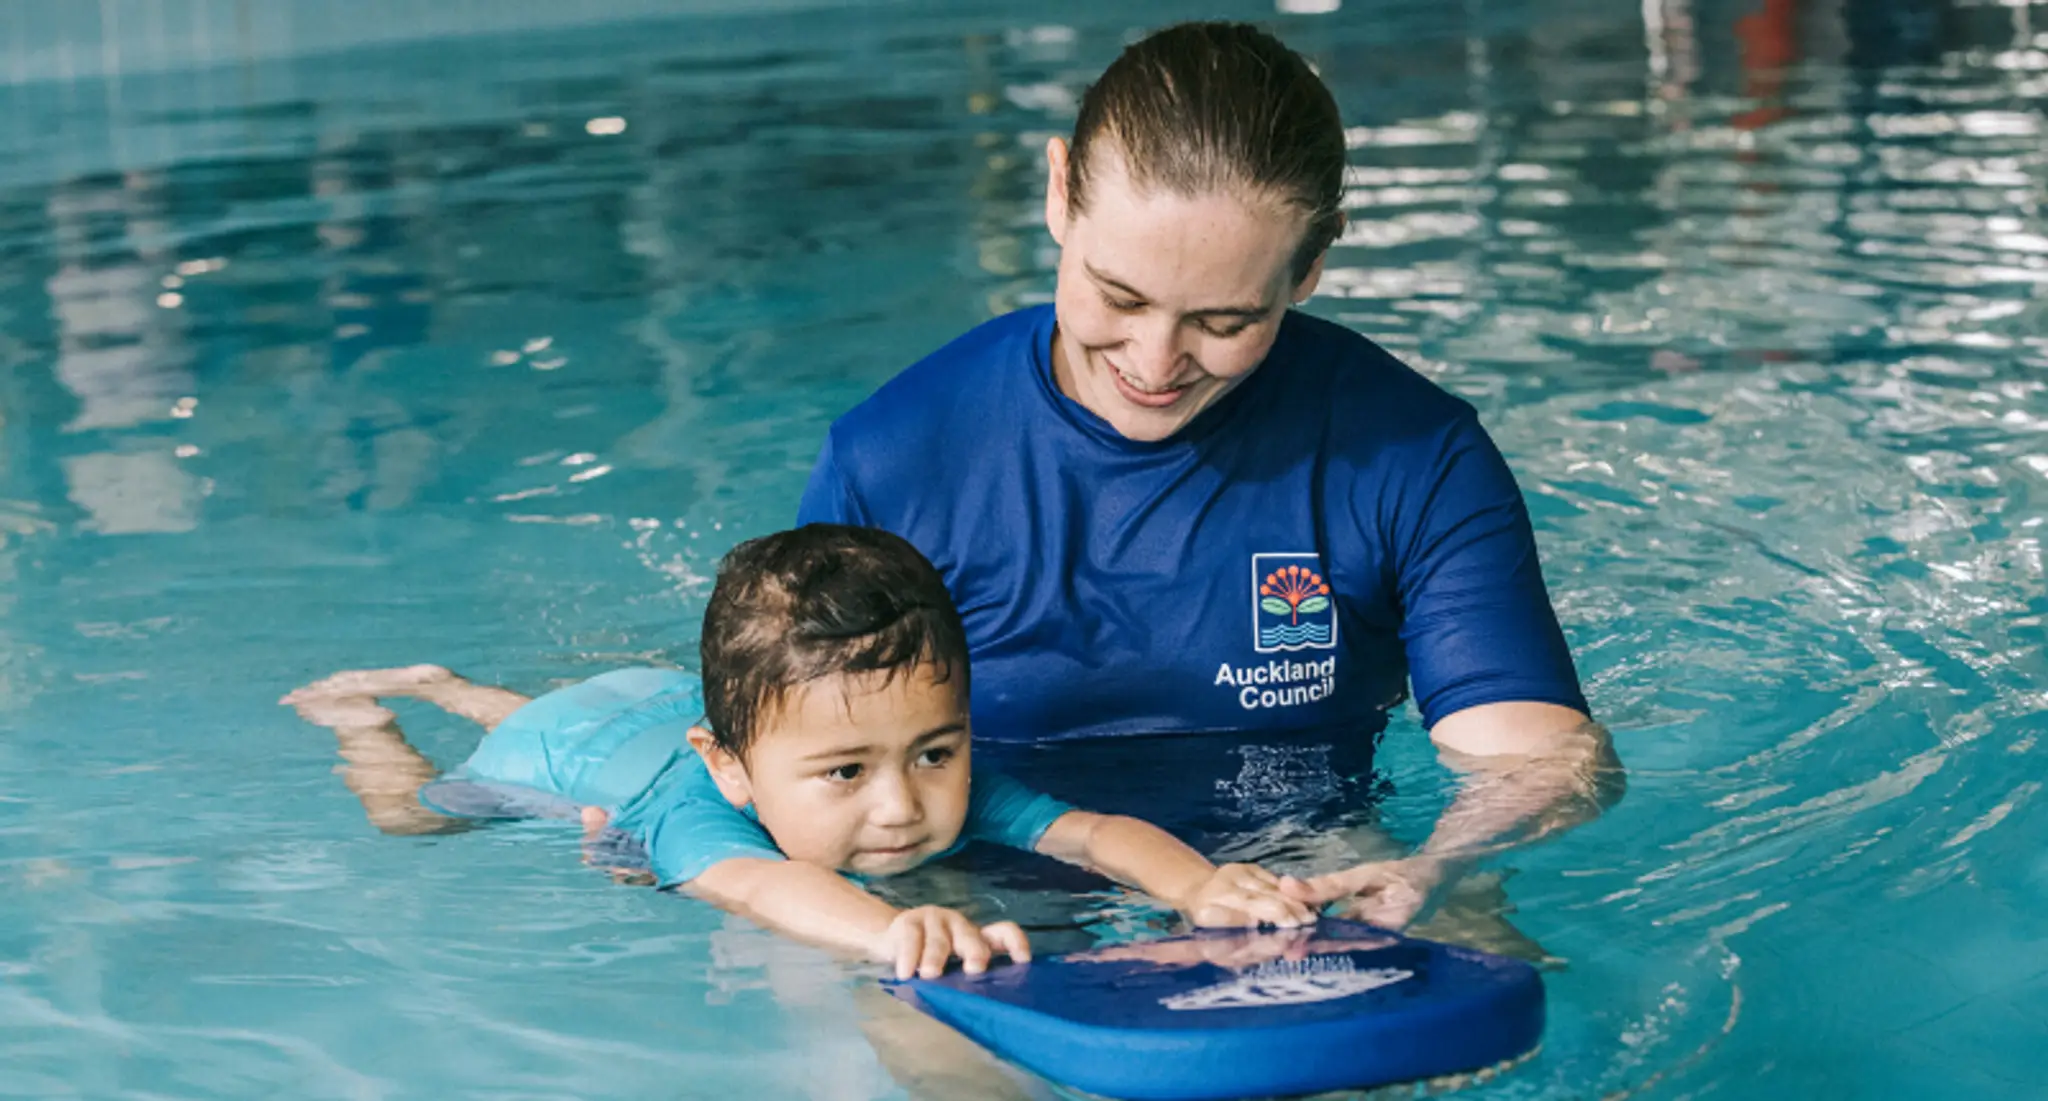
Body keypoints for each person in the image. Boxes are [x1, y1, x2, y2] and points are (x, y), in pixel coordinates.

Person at [797, 22, 1623, 930]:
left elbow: (1540, 761)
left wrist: (1442, 861)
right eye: (1119, 297)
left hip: (1304, 860)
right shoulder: (896, 459)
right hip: (982, 867)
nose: (1154, 362)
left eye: (1225, 321)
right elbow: (795, 741)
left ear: (1311, 263)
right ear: (1060, 191)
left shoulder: (1412, 456)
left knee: (1479, 970)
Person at [282, 524, 1314, 980]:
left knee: (568, 708)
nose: (901, 806)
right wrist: (886, 934)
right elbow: (768, 891)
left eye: (934, 752)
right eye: (845, 774)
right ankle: (379, 717)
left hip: (642, 709)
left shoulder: (866, 749)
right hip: (542, 762)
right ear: (732, 770)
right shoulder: (696, 817)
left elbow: (1087, 830)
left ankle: (449, 684)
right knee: (415, 816)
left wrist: (1199, 884)